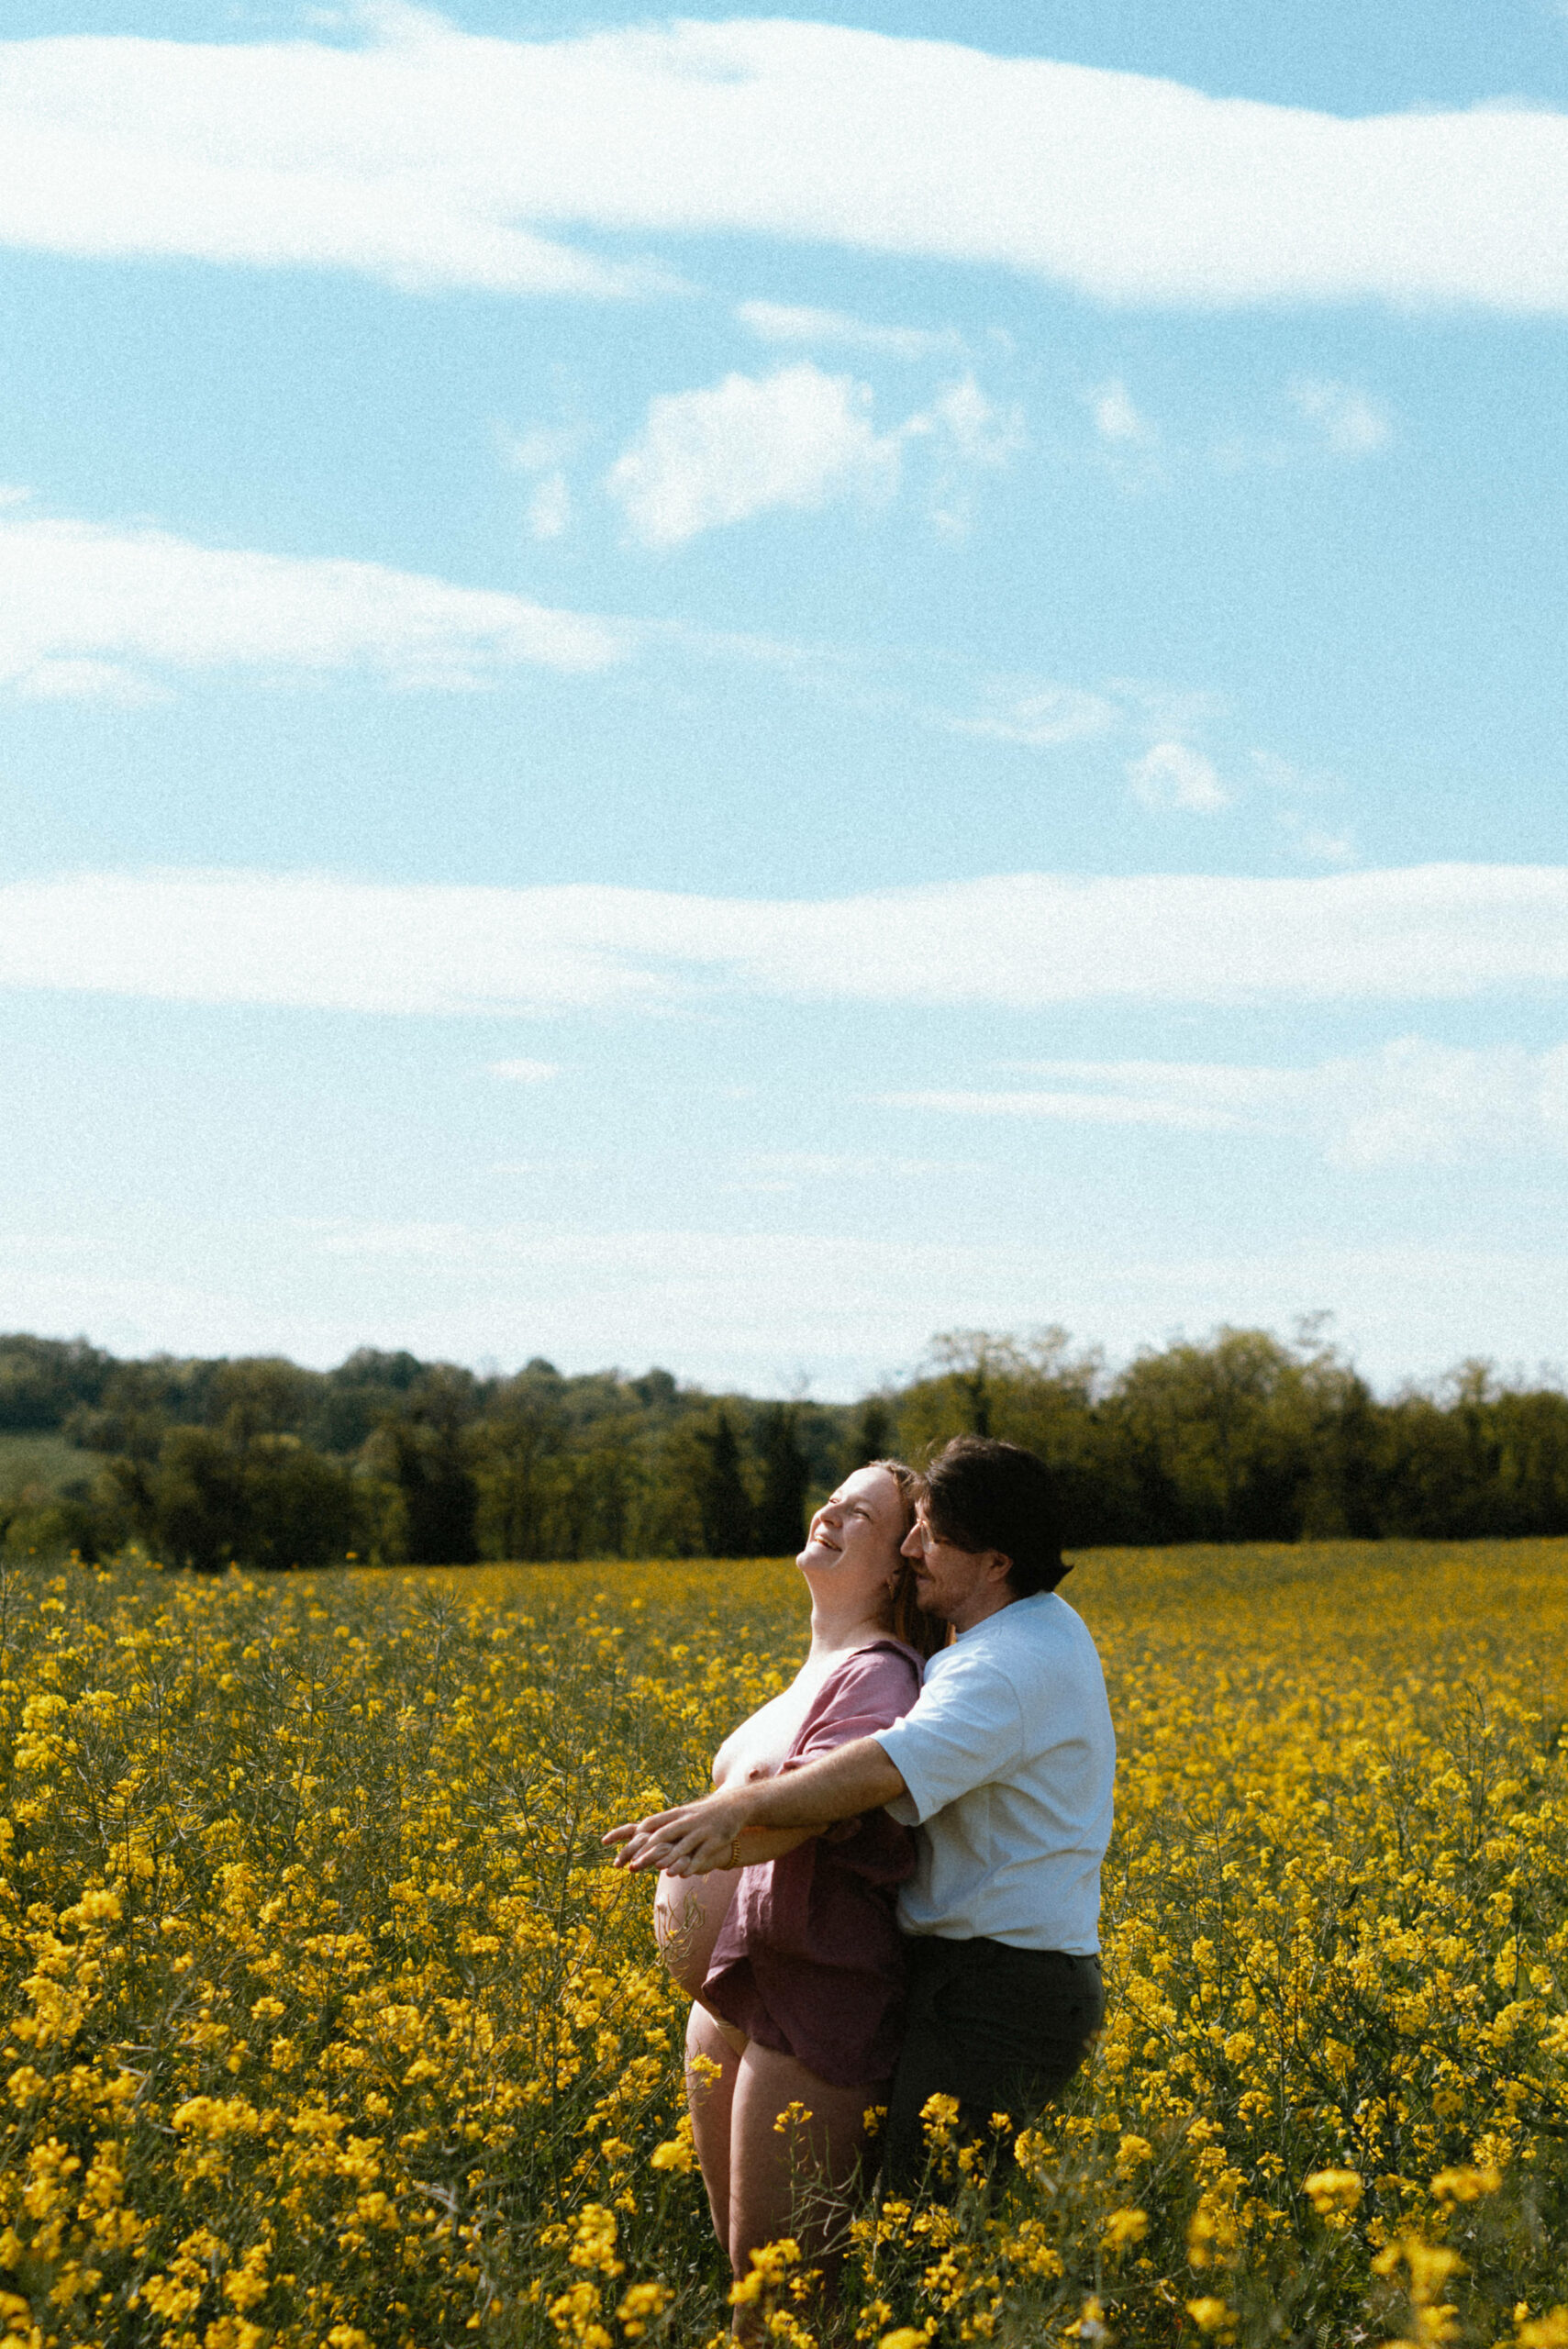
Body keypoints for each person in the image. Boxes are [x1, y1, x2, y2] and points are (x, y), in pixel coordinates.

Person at [608, 1435, 1116, 2189]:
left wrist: (731, 1817)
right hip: (972, 1975)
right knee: (917, 2217)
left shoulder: (1002, 1665)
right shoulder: (1021, 1632)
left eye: (929, 1534)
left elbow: (881, 1767)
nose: (913, 1549)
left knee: (931, 2227)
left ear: (995, 1563)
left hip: (1000, 1987)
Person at [636, 1460, 945, 2329]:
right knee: (750, 2285)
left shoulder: (878, 1677)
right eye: (833, 1500)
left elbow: (813, 1810)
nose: (829, 1514)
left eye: (860, 1515)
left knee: (785, 2298)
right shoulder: (822, 1666)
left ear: (898, 1569)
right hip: (735, 1995)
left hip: (805, 2004)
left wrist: (699, 1831)